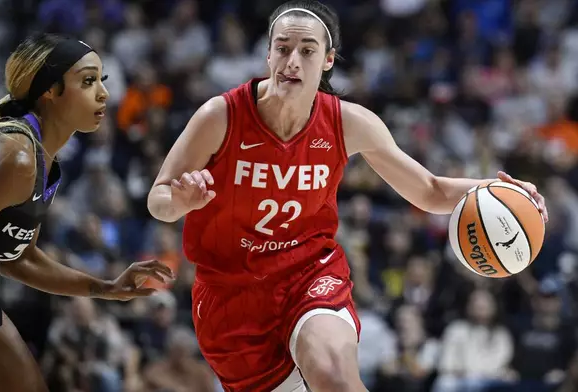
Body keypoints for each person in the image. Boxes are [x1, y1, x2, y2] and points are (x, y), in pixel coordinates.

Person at [147, 1, 548, 391]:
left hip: (309, 272)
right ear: (267, 55)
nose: (293, 62)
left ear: (327, 60)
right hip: (230, 295)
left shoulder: (348, 122)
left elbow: (429, 190)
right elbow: (158, 199)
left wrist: (503, 193)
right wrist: (180, 202)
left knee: (334, 376)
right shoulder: (220, 116)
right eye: (283, 49)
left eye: (307, 51)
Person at [0, 33, 173, 392]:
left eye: (101, 82)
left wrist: (103, 288)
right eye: (88, 81)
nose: (104, 94)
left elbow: (19, 259)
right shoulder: (14, 158)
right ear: (50, 90)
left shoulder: (44, 162)